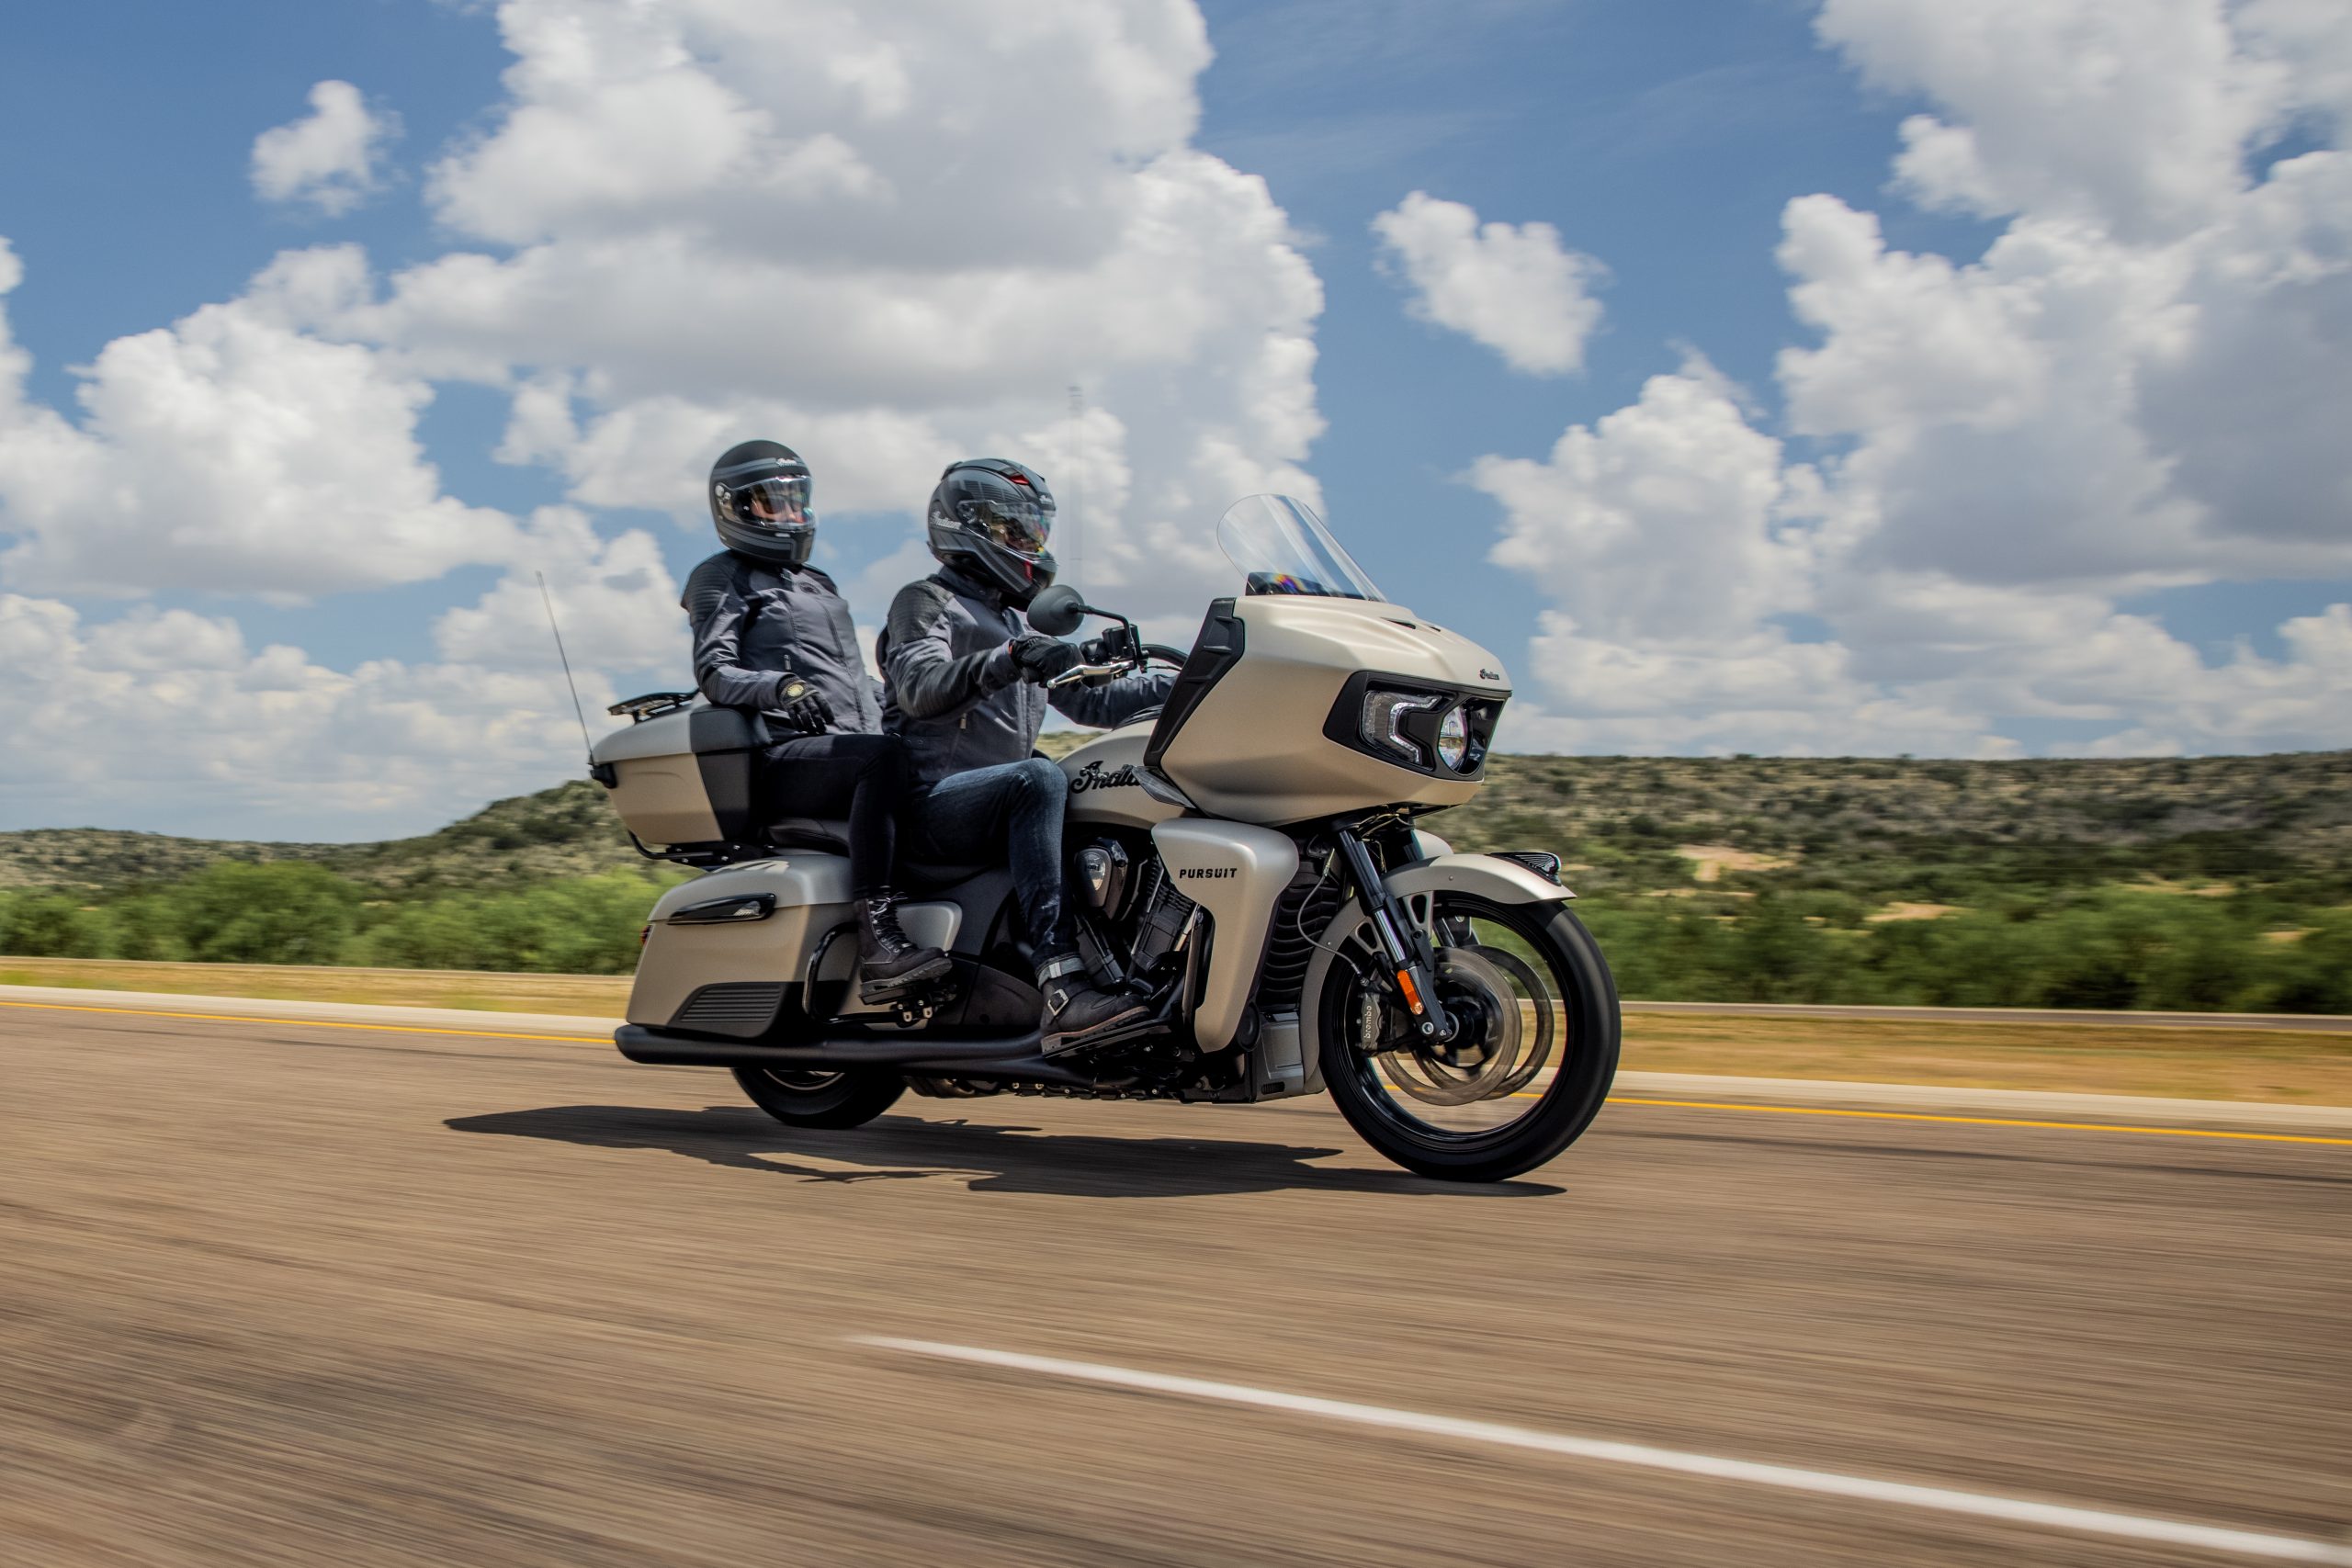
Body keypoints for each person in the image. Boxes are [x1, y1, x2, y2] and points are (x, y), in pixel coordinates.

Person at [879, 458, 1176, 1055]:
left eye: (1036, 532)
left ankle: (1128, 973)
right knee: (1039, 778)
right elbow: (919, 686)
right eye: (1018, 532)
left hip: (988, 803)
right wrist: (1007, 658)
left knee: (1099, 786)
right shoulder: (925, 600)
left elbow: (1092, 700)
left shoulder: (1011, 618)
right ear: (972, 528)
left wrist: (1189, 680)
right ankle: (1063, 985)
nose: (1032, 545)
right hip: (929, 805)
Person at [684, 439, 949, 1003]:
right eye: (773, 503)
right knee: (882, 757)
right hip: (782, 755)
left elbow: (847, 678)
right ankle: (879, 937)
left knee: (922, 759)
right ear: (736, 507)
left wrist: (909, 706)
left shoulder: (816, 582)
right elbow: (715, 671)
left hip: (849, 747)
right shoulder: (721, 576)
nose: (790, 515)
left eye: (796, 501)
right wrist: (779, 686)